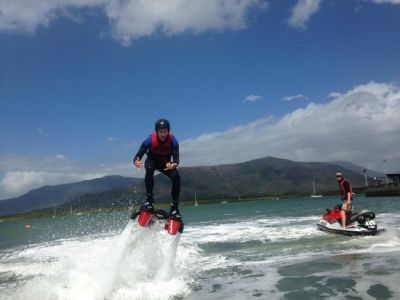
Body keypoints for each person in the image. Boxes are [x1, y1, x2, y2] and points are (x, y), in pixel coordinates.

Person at [133, 119, 181, 219]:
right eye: (160, 131)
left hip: (165, 163)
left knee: (176, 177)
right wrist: (136, 161)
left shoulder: (173, 141)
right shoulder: (149, 140)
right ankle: (149, 200)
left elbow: (176, 159)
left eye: (165, 131)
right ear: (156, 131)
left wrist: (173, 165)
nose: (163, 134)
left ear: (168, 131)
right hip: (152, 161)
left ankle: (174, 208)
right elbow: (138, 156)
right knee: (149, 169)